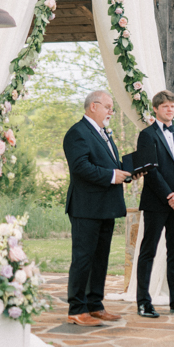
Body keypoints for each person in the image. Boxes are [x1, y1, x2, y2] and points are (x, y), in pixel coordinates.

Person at [63, 90, 129, 326]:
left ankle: (95, 305)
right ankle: (76, 309)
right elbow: (80, 167)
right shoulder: (77, 133)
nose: (112, 111)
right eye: (108, 107)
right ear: (93, 106)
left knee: (100, 258)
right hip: (86, 206)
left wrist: (129, 170)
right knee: (83, 258)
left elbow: (109, 164)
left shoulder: (103, 133)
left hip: (106, 206)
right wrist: (113, 175)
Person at [135, 90, 174, 318]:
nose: (170, 110)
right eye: (166, 106)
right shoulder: (146, 135)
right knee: (148, 251)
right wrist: (170, 196)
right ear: (156, 109)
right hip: (156, 203)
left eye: (172, 106)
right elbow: (149, 170)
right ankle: (143, 301)